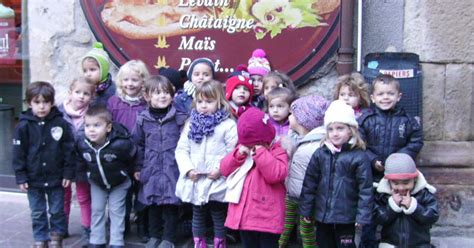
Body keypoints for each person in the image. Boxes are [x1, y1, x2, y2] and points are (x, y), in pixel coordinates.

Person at [358, 74, 424, 248]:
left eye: (390, 93)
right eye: (380, 94)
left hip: (398, 179)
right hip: (372, 178)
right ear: (373, 97)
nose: (385, 98)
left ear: (398, 96)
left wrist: (398, 159)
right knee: (371, 215)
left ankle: (394, 242)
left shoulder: (407, 120)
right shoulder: (366, 119)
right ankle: (368, 244)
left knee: (396, 212)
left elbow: (416, 141)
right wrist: (373, 161)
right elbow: (359, 143)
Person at [299, 100, 373, 248]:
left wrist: (362, 216)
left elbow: (365, 189)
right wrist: (307, 209)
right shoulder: (320, 154)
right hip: (322, 216)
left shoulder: (359, 157)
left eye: (340, 128)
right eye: (331, 129)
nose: (335, 133)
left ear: (350, 130)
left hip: (347, 217)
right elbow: (309, 184)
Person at [175, 80, 238, 248]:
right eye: (200, 101)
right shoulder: (191, 124)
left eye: (209, 102)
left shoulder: (228, 125)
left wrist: (220, 170)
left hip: (216, 179)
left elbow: (233, 152)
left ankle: (219, 242)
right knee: (198, 214)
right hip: (196, 179)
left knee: (218, 213)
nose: (204, 106)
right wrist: (188, 170)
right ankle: (199, 243)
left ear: (219, 101)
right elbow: (182, 149)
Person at [12, 81, 75, 248]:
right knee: (38, 211)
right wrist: (21, 176)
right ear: (29, 103)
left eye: (46, 102)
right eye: (37, 102)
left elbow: (69, 149)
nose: (42, 107)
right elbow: (18, 154)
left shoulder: (60, 123)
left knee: (56, 210)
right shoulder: (23, 126)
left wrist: (68, 173)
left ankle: (57, 236)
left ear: (52, 102)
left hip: (56, 177)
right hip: (33, 179)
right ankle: (40, 238)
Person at [132, 75, 188, 248]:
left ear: (172, 95)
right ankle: (154, 235)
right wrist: (138, 167)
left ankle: (168, 238)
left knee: (171, 204)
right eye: (157, 93)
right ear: (147, 97)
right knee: (152, 203)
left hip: (172, 168)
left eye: (166, 92)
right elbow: (138, 145)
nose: (162, 96)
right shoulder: (142, 119)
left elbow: (187, 144)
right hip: (151, 169)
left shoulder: (180, 118)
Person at [220, 107, 288, 248]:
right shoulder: (241, 149)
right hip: (245, 216)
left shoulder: (277, 150)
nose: (251, 147)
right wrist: (238, 154)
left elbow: (276, 174)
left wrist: (261, 152)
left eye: (255, 143)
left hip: (267, 217)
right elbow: (224, 169)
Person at [76, 106, 136, 248]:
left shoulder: (120, 143)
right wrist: (83, 176)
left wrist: (126, 173)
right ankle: (97, 240)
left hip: (119, 182)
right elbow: (80, 161)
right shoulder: (83, 144)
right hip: (97, 182)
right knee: (97, 210)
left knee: (116, 211)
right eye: (88, 125)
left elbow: (130, 157)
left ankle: (116, 241)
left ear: (108, 128)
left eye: (97, 125)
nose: (91, 129)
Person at [278, 94, 329, 248]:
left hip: (307, 198)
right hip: (291, 193)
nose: (289, 116)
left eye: (293, 114)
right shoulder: (297, 138)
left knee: (306, 229)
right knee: (283, 225)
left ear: (303, 119)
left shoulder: (315, 145)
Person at [107, 59, 150, 240]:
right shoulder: (114, 102)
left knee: (142, 192)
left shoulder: (146, 103)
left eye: (134, 80)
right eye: (126, 80)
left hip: (142, 156)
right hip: (120, 157)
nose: (130, 84)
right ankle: (121, 225)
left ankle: (143, 225)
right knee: (121, 195)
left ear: (142, 82)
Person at [58, 77, 95, 246]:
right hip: (63, 162)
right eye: (78, 92)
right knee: (63, 196)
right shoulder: (59, 113)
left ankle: (87, 228)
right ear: (70, 93)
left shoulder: (92, 114)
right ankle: (61, 227)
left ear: (91, 97)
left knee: (84, 197)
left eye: (86, 94)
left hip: (83, 163)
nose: (81, 96)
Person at [374, 153, 439, 248]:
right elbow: (378, 218)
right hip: (391, 245)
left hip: (419, 245)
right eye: (396, 183)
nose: (401, 188)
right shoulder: (383, 196)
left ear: (415, 180)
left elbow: (432, 216)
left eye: (406, 183)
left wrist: (414, 207)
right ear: (389, 182)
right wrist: (392, 206)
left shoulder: (423, 194)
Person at [82, 42, 116, 107]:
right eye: (85, 71)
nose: (88, 74)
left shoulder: (113, 90)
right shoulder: (85, 88)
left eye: (92, 69)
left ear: (103, 70)